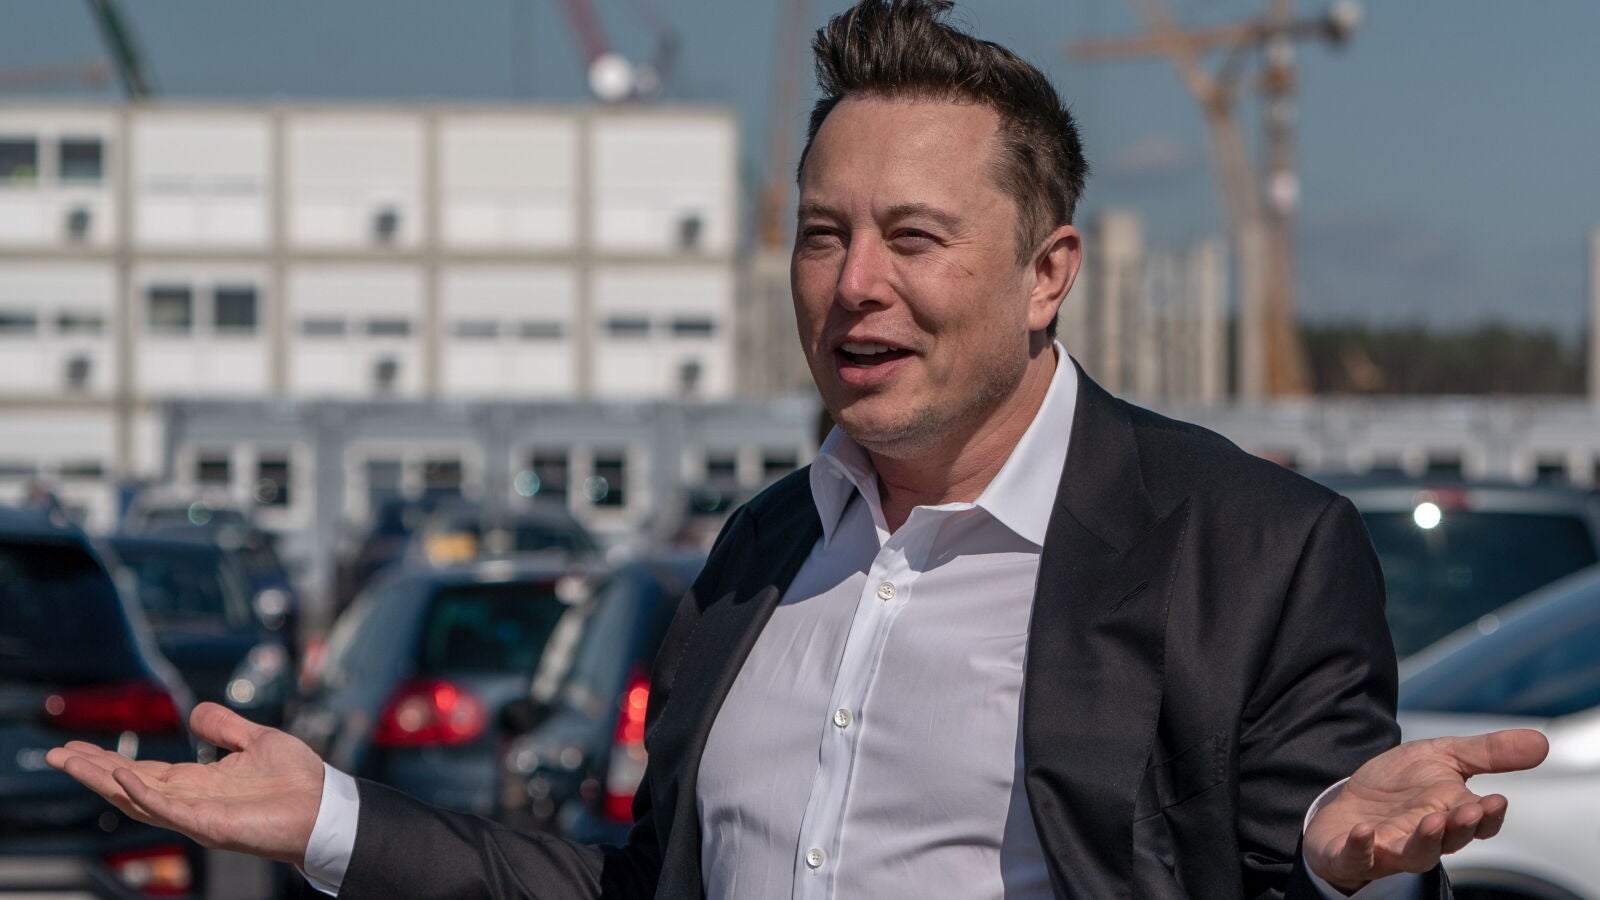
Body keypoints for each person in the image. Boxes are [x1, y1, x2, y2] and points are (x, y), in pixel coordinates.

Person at [50, 2, 1548, 897]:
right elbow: (644, 887)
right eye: (823, 235)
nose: (855, 285)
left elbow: (1322, 846)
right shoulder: (762, 550)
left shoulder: (1252, 548)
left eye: (914, 238)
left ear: (1048, 273)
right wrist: (333, 819)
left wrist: (1347, 869)